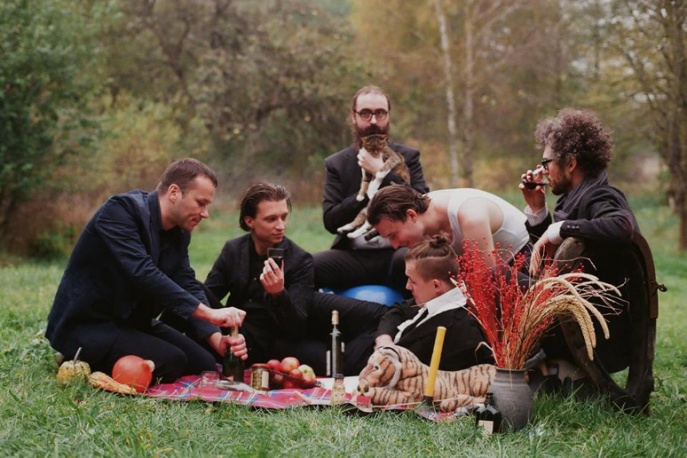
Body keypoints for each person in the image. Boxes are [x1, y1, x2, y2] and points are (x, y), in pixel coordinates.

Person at [46, 158, 247, 383]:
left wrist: (216, 338)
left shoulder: (179, 233)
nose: (205, 213)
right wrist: (210, 313)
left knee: (204, 363)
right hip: (88, 324)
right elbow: (143, 272)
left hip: (133, 322)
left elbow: (186, 282)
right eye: (200, 203)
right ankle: (78, 355)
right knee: (173, 361)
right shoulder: (120, 211)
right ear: (173, 192)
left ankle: (118, 353)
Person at [190, 182, 386, 375]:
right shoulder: (233, 250)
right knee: (188, 287)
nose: (281, 226)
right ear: (250, 221)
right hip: (234, 332)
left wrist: (278, 294)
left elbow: (297, 328)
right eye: (271, 219)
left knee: (339, 360)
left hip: (274, 341)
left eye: (284, 217)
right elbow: (207, 299)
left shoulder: (300, 260)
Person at [520, 108, 640, 376]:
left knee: (500, 278)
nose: (542, 170)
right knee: (507, 275)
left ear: (570, 163)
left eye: (546, 161)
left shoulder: (601, 196)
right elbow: (550, 267)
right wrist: (539, 213)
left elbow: (622, 226)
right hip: (575, 321)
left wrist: (559, 228)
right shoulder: (576, 199)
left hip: (600, 333)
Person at [314, 85, 429, 292]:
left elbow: (422, 204)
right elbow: (331, 221)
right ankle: (333, 318)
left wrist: (381, 173)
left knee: (418, 262)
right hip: (353, 255)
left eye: (380, 113)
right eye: (366, 114)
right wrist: (365, 193)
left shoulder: (408, 157)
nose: (374, 121)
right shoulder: (337, 163)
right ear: (353, 116)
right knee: (306, 267)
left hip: (399, 252)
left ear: (388, 116)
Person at [374, 234, 493, 371]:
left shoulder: (457, 329)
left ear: (436, 285)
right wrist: (384, 339)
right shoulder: (437, 295)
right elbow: (399, 309)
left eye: (413, 281)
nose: (408, 286)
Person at [367, 185, 530, 267]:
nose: (394, 245)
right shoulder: (423, 216)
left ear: (411, 215)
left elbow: (488, 285)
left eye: (393, 235)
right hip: (492, 272)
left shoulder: (470, 216)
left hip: (526, 264)